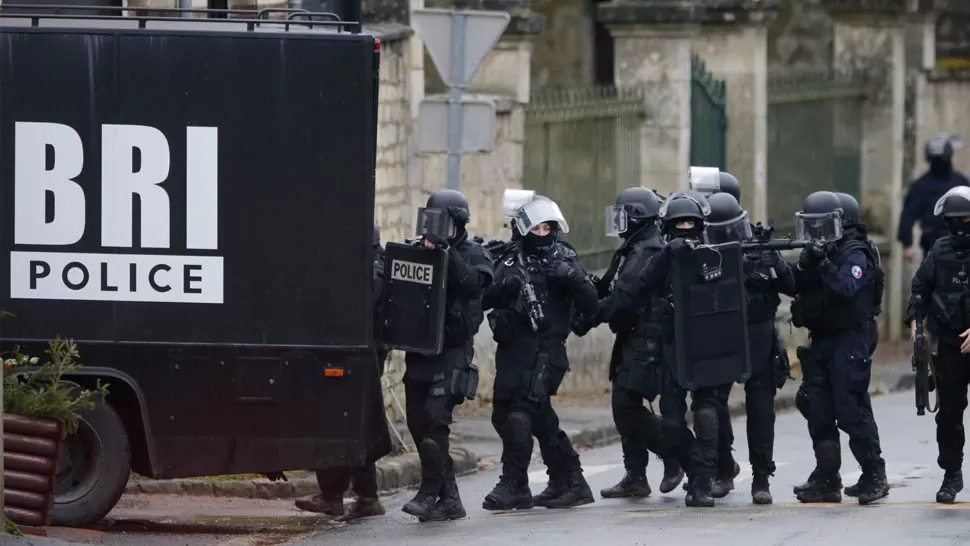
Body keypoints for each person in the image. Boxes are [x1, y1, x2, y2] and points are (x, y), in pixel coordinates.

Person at [593, 191, 733, 507]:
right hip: (670, 351)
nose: (686, 230)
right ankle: (691, 467)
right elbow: (637, 288)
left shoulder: (718, 253)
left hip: (706, 348)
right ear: (669, 226)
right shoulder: (659, 255)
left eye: (691, 224)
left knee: (708, 414)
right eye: (679, 224)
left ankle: (702, 482)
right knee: (670, 422)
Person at [481, 194, 600, 511]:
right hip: (513, 350)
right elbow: (482, 296)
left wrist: (571, 277)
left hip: (547, 351)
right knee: (512, 416)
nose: (543, 233)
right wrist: (503, 286)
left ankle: (512, 484)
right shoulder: (508, 258)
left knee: (522, 413)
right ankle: (569, 481)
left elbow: (591, 303)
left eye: (548, 227)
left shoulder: (563, 256)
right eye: (536, 227)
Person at [789, 190, 888, 505]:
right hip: (822, 336)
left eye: (823, 224)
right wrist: (800, 268)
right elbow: (797, 288)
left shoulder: (855, 253)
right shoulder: (821, 252)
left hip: (851, 337)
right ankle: (827, 477)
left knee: (849, 406)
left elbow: (846, 288)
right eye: (812, 225)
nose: (816, 231)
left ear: (841, 224)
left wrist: (822, 264)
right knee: (814, 403)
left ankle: (874, 473)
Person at [401, 190, 494, 522]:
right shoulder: (419, 252)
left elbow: (472, 285)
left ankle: (428, 494)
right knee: (417, 424)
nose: (434, 229)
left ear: (458, 223)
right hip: (420, 353)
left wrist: (445, 251)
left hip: (452, 352)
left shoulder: (474, 253)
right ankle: (450, 498)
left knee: (435, 421)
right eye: (430, 221)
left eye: (441, 223)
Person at [701, 193, 795, 505]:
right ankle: (723, 469)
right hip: (722, 335)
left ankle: (760, 477)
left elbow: (793, 285)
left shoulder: (759, 248)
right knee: (712, 403)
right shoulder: (705, 252)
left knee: (760, 408)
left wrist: (775, 265)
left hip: (758, 335)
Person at [295, 221, 392, 519]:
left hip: (360, 358)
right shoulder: (369, 266)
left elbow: (359, 304)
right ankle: (347, 496)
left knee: (349, 425)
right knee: (351, 425)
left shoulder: (374, 269)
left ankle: (352, 496)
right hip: (353, 355)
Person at [596, 187, 684, 498]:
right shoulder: (633, 247)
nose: (618, 222)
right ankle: (635, 475)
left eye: (623, 215)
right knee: (625, 406)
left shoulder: (647, 250)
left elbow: (623, 299)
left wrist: (595, 311)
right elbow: (609, 288)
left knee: (626, 407)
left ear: (635, 217)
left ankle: (677, 453)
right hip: (632, 337)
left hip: (647, 338)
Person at [906, 185, 970, 503]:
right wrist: (915, 323)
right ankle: (951, 474)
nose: (961, 227)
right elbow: (920, 288)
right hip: (949, 342)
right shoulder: (940, 251)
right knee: (948, 414)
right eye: (954, 221)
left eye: (966, 220)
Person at [898, 133, 969, 263]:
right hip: (933, 243)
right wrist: (907, 244)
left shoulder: (961, 182)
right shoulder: (920, 186)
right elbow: (908, 215)